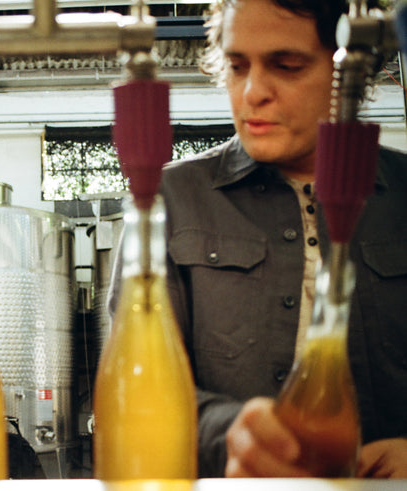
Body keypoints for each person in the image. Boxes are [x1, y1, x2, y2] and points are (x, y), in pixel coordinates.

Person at [108, 0, 407, 479]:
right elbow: (134, 390)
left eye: (287, 66)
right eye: (236, 65)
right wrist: (227, 433)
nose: (251, 93)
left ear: (353, 67)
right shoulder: (171, 199)